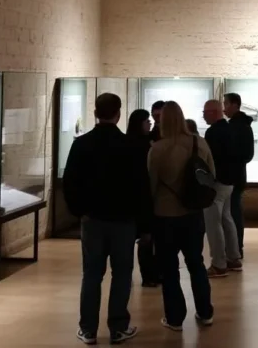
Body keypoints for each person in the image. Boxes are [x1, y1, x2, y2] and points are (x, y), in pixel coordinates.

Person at [62, 94, 150, 345]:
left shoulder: (82, 144)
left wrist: (79, 211)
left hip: (93, 219)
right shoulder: (130, 145)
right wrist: (144, 225)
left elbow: (70, 182)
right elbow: (141, 188)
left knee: (91, 273)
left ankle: (88, 328)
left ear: (95, 113)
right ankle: (118, 327)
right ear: (118, 114)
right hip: (123, 220)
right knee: (122, 274)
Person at [147, 101, 216, 331]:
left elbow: (152, 185)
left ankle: (175, 317)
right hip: (193, 213)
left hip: (165, 215)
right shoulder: (200, 143)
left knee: (168, 268)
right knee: (196, 262)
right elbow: (211, 176)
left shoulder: (157, 149)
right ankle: (205, 311)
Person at [201, 99, 243, 277]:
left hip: (217, 183)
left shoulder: (213, 132)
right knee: (226, 218)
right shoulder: (230, 129)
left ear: (213, 112)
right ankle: (233, 257)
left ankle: (218, 263)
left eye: (205, 112)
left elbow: (212, 160)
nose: (203, 115)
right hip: (230, 182)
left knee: (213, 222)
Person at [126, 109, 158, 288]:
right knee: (145, 239)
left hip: (136, 196)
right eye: (147, 121)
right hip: (141, 196)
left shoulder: (139, 143)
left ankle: (142, 274)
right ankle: (147, 275)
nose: (150, 124)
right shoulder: (143, 145)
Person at [223, 92, 254, 258]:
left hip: (234, 177)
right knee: (231, 212)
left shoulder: (240, 127)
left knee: (233, 212)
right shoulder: (236, 125)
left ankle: (236, 248)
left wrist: (230, 158)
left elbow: (247, 154)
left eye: (226, 104)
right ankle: (233, 247)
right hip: (234, 175)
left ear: (235, 105)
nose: (224, 108)